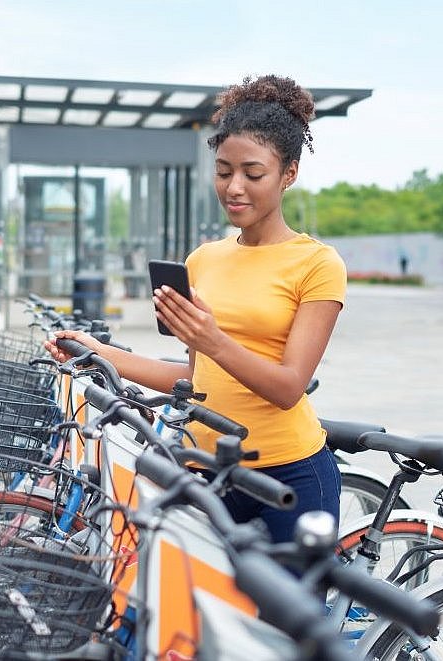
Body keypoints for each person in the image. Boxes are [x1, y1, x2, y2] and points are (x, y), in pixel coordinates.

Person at [45, 74, 347, 543]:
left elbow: (289, 388)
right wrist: (98, 353)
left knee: (286, 617)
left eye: (253, 173)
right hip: (208, 472)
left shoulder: (318, 264)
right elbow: (194, 380)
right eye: (224, 171)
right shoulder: (203, 259)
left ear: (288, 174)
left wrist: (214, 340)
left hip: (290, 476)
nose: (234, 187)